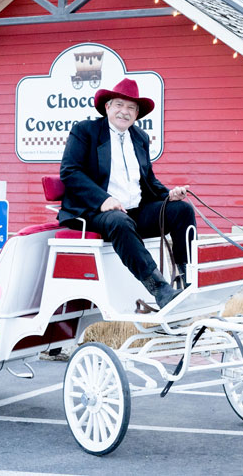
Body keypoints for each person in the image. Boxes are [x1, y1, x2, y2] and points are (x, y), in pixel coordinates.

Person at [57, 78, 196, 311]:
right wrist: (103, 200)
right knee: (120, 221)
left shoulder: (140, 137)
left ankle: (188, 279)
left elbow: (148, 179)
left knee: (182, 210)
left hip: (135, 211)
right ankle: (160, 289)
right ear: (107, 107)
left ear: (137, 114)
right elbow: (70, 172)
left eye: (131, 107)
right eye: (119, 105)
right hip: (95, 213)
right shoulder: (85, 131)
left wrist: (168, 195)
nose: (125, 111)